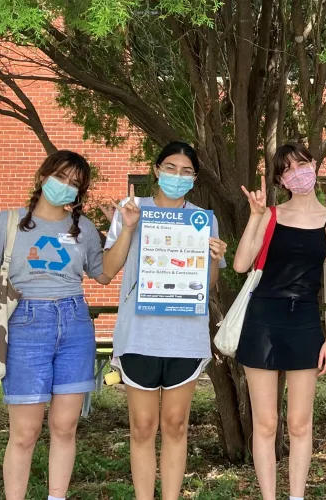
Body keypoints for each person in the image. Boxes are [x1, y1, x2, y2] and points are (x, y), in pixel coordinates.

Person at [0, 151, 110, 500]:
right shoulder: (9, 221)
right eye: (61, 177)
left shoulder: (83, 228)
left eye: (75, 184)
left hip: (75, 324)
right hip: (25, 324)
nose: (66, 187)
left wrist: (127, 231)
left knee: (65, 427)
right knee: (25, 433)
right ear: (43, 176)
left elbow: (103, 274)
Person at [102, 142, 228, 500]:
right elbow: (108, 271)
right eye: (170, 168)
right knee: (142, 427)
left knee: (175, 425)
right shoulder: (131, 210)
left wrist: (215, 259)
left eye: (186, 171)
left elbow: (207, 285)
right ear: (156, 170)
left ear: (194, 178)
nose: (177, 176)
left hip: (184, 337)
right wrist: (128, 228)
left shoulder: (204, 218)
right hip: (139, 335)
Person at [232, 143, 326, 500]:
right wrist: (255, 215)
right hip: (263, 319)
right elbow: (240, 265)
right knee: (265, 424)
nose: (297, 172)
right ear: (281, 179)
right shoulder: (270, 215)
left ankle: (296, 496)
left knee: (300, 423)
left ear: (313, 165)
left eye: (302, 164)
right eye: (287, 169)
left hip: (306, 323)